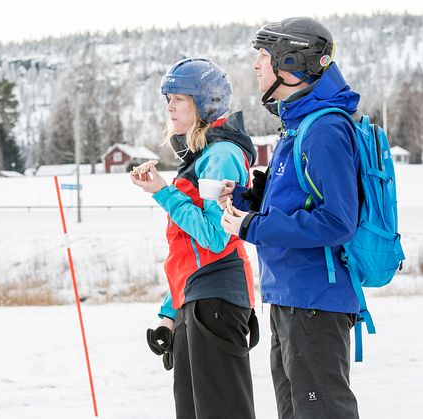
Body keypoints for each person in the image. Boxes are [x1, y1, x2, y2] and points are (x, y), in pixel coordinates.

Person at [219, 17, 361, 419]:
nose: (256, 65)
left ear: (293, 62)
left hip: (315, 299)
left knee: (321, 411)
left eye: (263, 57)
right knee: (295, 411)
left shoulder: (324, 130)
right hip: (289, 295)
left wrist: (252, 227)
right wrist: (248, 200)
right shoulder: (296, 126)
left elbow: (337, 220)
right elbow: (297, 203)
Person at [132, 58, 259, 418]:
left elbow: (213, 237)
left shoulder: (221, 156)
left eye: (180, 99)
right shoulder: (202, 156)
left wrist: (163, 192)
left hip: (216, 297)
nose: (170, 107)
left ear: (206, 105)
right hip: (197, 297)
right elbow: (188, 253)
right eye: (168, 98)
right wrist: (168, 315)